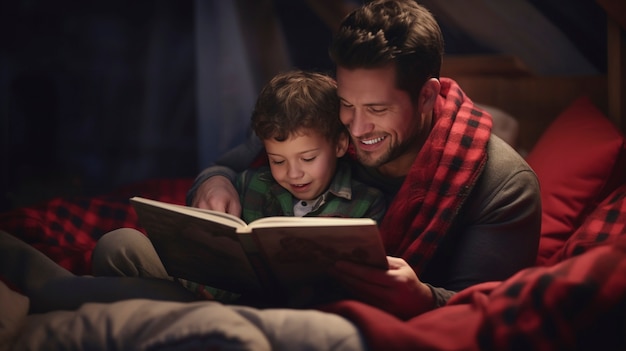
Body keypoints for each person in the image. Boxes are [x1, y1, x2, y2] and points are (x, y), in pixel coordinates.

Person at [187, 0, 541, 319]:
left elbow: (487, 315)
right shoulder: (322, 116)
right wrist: (214, 180)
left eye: (377, 108)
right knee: (129, 247)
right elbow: (228, 165)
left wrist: (424, 298)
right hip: (262, 303)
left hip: (362, 330)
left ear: (427, 96)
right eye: (347, 103)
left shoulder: (503, 184)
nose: (356, 128)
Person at [92, 69, 386, 304]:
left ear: (339, 144)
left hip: (285, 315)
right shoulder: (249, 182)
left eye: (308, 158)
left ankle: (64, 296)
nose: (293, 173)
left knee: (79, 296)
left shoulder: (366, 204)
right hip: (201, 299)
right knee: (119, 244)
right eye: (277, 160)